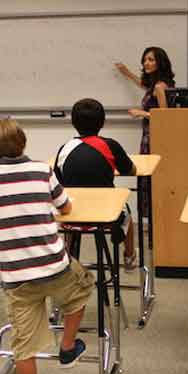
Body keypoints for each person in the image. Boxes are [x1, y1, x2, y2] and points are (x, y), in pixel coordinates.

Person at [0, 118, 95, 374]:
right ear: (22, 141)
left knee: (23, 346)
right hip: (54, 266)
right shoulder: (42, 170)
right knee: (82, 288)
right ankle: (67, 346)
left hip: (17, 277)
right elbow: (65, 207)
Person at [54, 98, 138, 270]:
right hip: (107, 216)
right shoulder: (110, 145)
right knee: (128, 213)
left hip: (72, 217)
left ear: (73, 123)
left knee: (70, 207)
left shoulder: (65, 148)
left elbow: (59, 182)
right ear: (103, 122)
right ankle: (129, 256)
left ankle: (68, 258)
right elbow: (131, 170)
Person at [115, 46, 175, 215]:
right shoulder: (153, 85)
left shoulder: (160, 87)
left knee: (151, 176)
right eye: (145, 60)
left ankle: (155, 215)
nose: (146, 63)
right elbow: (142, 84)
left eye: (151, 60)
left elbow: (165, 117)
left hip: (154, 137)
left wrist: (141, 113)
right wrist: (127, 73)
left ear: (160, 62)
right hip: (148, 135)